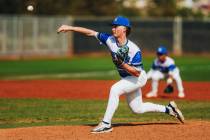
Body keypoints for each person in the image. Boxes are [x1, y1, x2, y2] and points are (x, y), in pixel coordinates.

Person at [57, 16, 184, 134]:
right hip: (128, 78)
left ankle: (106, 123)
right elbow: (90, 32)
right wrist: (70, 28)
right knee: (137, 109)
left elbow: (137, 72)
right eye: (112, 26)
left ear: (124, 29)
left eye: (115, 26)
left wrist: (122, 64)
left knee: (114, 89)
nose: (113, 28)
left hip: (138, 78)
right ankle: (169, 109)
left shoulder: (134, 49)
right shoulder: (110, 40)